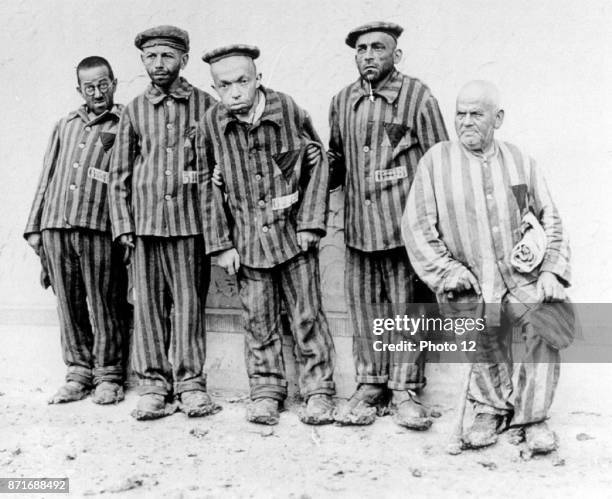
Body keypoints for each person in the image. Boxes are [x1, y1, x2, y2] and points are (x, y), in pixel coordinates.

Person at [402, 80, 573, 454]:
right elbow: (416, 226)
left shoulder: (520, 160)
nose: (465, 122)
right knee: (477, 331)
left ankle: (533, 418)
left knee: (547, 320)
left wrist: (551, 272)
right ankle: (489, 410)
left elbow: (551, 218)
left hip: (520, 276)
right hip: (470, 279)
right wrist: (447, 271)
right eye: (459, 113)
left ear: (497, 118)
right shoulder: (436, 161)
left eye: (476, 114)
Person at [200, 44, 336, 425]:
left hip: (293, 238)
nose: (236, 91)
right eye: (225, 85)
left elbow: (317, 162)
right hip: (247, 242)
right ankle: (265, 391)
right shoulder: (212, 124)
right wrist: (222, 245)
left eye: (243, 81)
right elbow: (206, 188)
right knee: (258, 321)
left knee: (307, 317)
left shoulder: (288, 109)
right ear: (215, 90)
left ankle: (318, 391)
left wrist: (310, 223)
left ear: (258, 79)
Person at [328, 22, 448, 429]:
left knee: (406, 310)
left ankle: (405, 389)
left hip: (403, 233)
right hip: (359, 231)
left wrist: (434, 231)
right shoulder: (342, 100)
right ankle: (370, 385)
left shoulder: (418, 97)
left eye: (378, 47)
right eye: (361, 49)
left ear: (396, 55)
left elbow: (438, 163)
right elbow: (336, 161)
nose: (368, 55)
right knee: (364, 310)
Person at [108, 25, 218, 420]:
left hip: (190, 226)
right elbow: (119, 173)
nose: (159, 63)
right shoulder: (135, 109)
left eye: (167, 56)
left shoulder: (206, 104)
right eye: (151, 56)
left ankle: (190, 384)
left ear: (183, 60)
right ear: (142, 61)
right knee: (149, 309)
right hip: (145, 228)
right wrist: (123, 225)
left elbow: (216, 167)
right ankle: (153, 385)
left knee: (189, 306)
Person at [24, 56, 128, 405]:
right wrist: (35, 228)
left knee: (105, 302)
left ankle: (109, 375)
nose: (97, 92)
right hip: (56, 226)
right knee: (68, 304)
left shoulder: (126, 121)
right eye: (89, 87)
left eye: (103, 85)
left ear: (114, 83)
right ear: (79, 90)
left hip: (99, 227)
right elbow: (46, 176)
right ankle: (78, 373)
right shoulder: (65, 124)